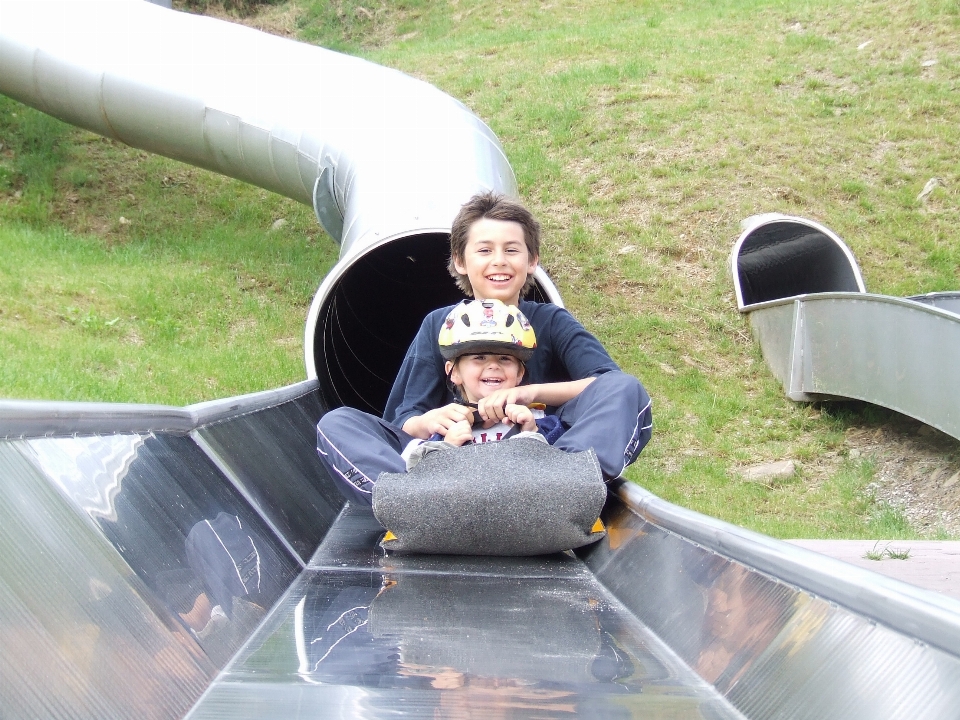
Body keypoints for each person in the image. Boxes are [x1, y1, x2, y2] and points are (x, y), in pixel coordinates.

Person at [317, 191, 652, 506]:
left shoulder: (551, 321)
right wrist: (432, 420)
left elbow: (606, 384)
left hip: (533, 463)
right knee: (338, 422)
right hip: (449, 466)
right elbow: (401, 420)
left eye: (511, 250)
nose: (499, 261)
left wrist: (527, 394)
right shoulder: (439, 324)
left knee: (626, 388)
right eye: (484, 250)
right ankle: (407, 501)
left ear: (531, 260)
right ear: (461, 261)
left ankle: (565, 487)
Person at [399, 298, 567, 468]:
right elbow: (410, 474)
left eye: (504, 358)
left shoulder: (537, 421)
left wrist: (533, 433)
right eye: (479, 358)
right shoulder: (443, 428)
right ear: (454, 372)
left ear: (520, 373)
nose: (493, 365)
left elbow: (569, 463)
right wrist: (445, 448)